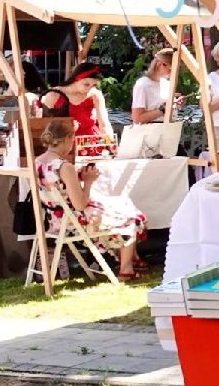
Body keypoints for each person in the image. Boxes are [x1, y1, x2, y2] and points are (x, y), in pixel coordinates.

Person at [31, 118, 147, 279]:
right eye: (72, 139)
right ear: (66, 139)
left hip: (53, 221)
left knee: (122, 205)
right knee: (132, 218)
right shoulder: (65, 167)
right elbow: (80, 204)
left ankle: (129, 258)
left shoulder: (38, 162)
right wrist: (88, 182)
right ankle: (126, 269)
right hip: (75, 223)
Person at [40, 62, 115, 142]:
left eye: (93, 85)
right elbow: (46, 124)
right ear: (76, 79)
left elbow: (104, 123)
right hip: (62, 142)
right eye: (86, 84)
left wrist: (110, 143)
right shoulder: (54, 94)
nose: (89, 88)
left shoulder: (95, 95)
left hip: (88, 142)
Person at [130, 48, 178, 124]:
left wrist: (177, 102)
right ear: (159, 64)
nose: (173, 72)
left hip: (169, 129)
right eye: (170, 68)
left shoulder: (166, 83)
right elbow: (137, 118)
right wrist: (163, 109)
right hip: (150, 132)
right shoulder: (142, 85)